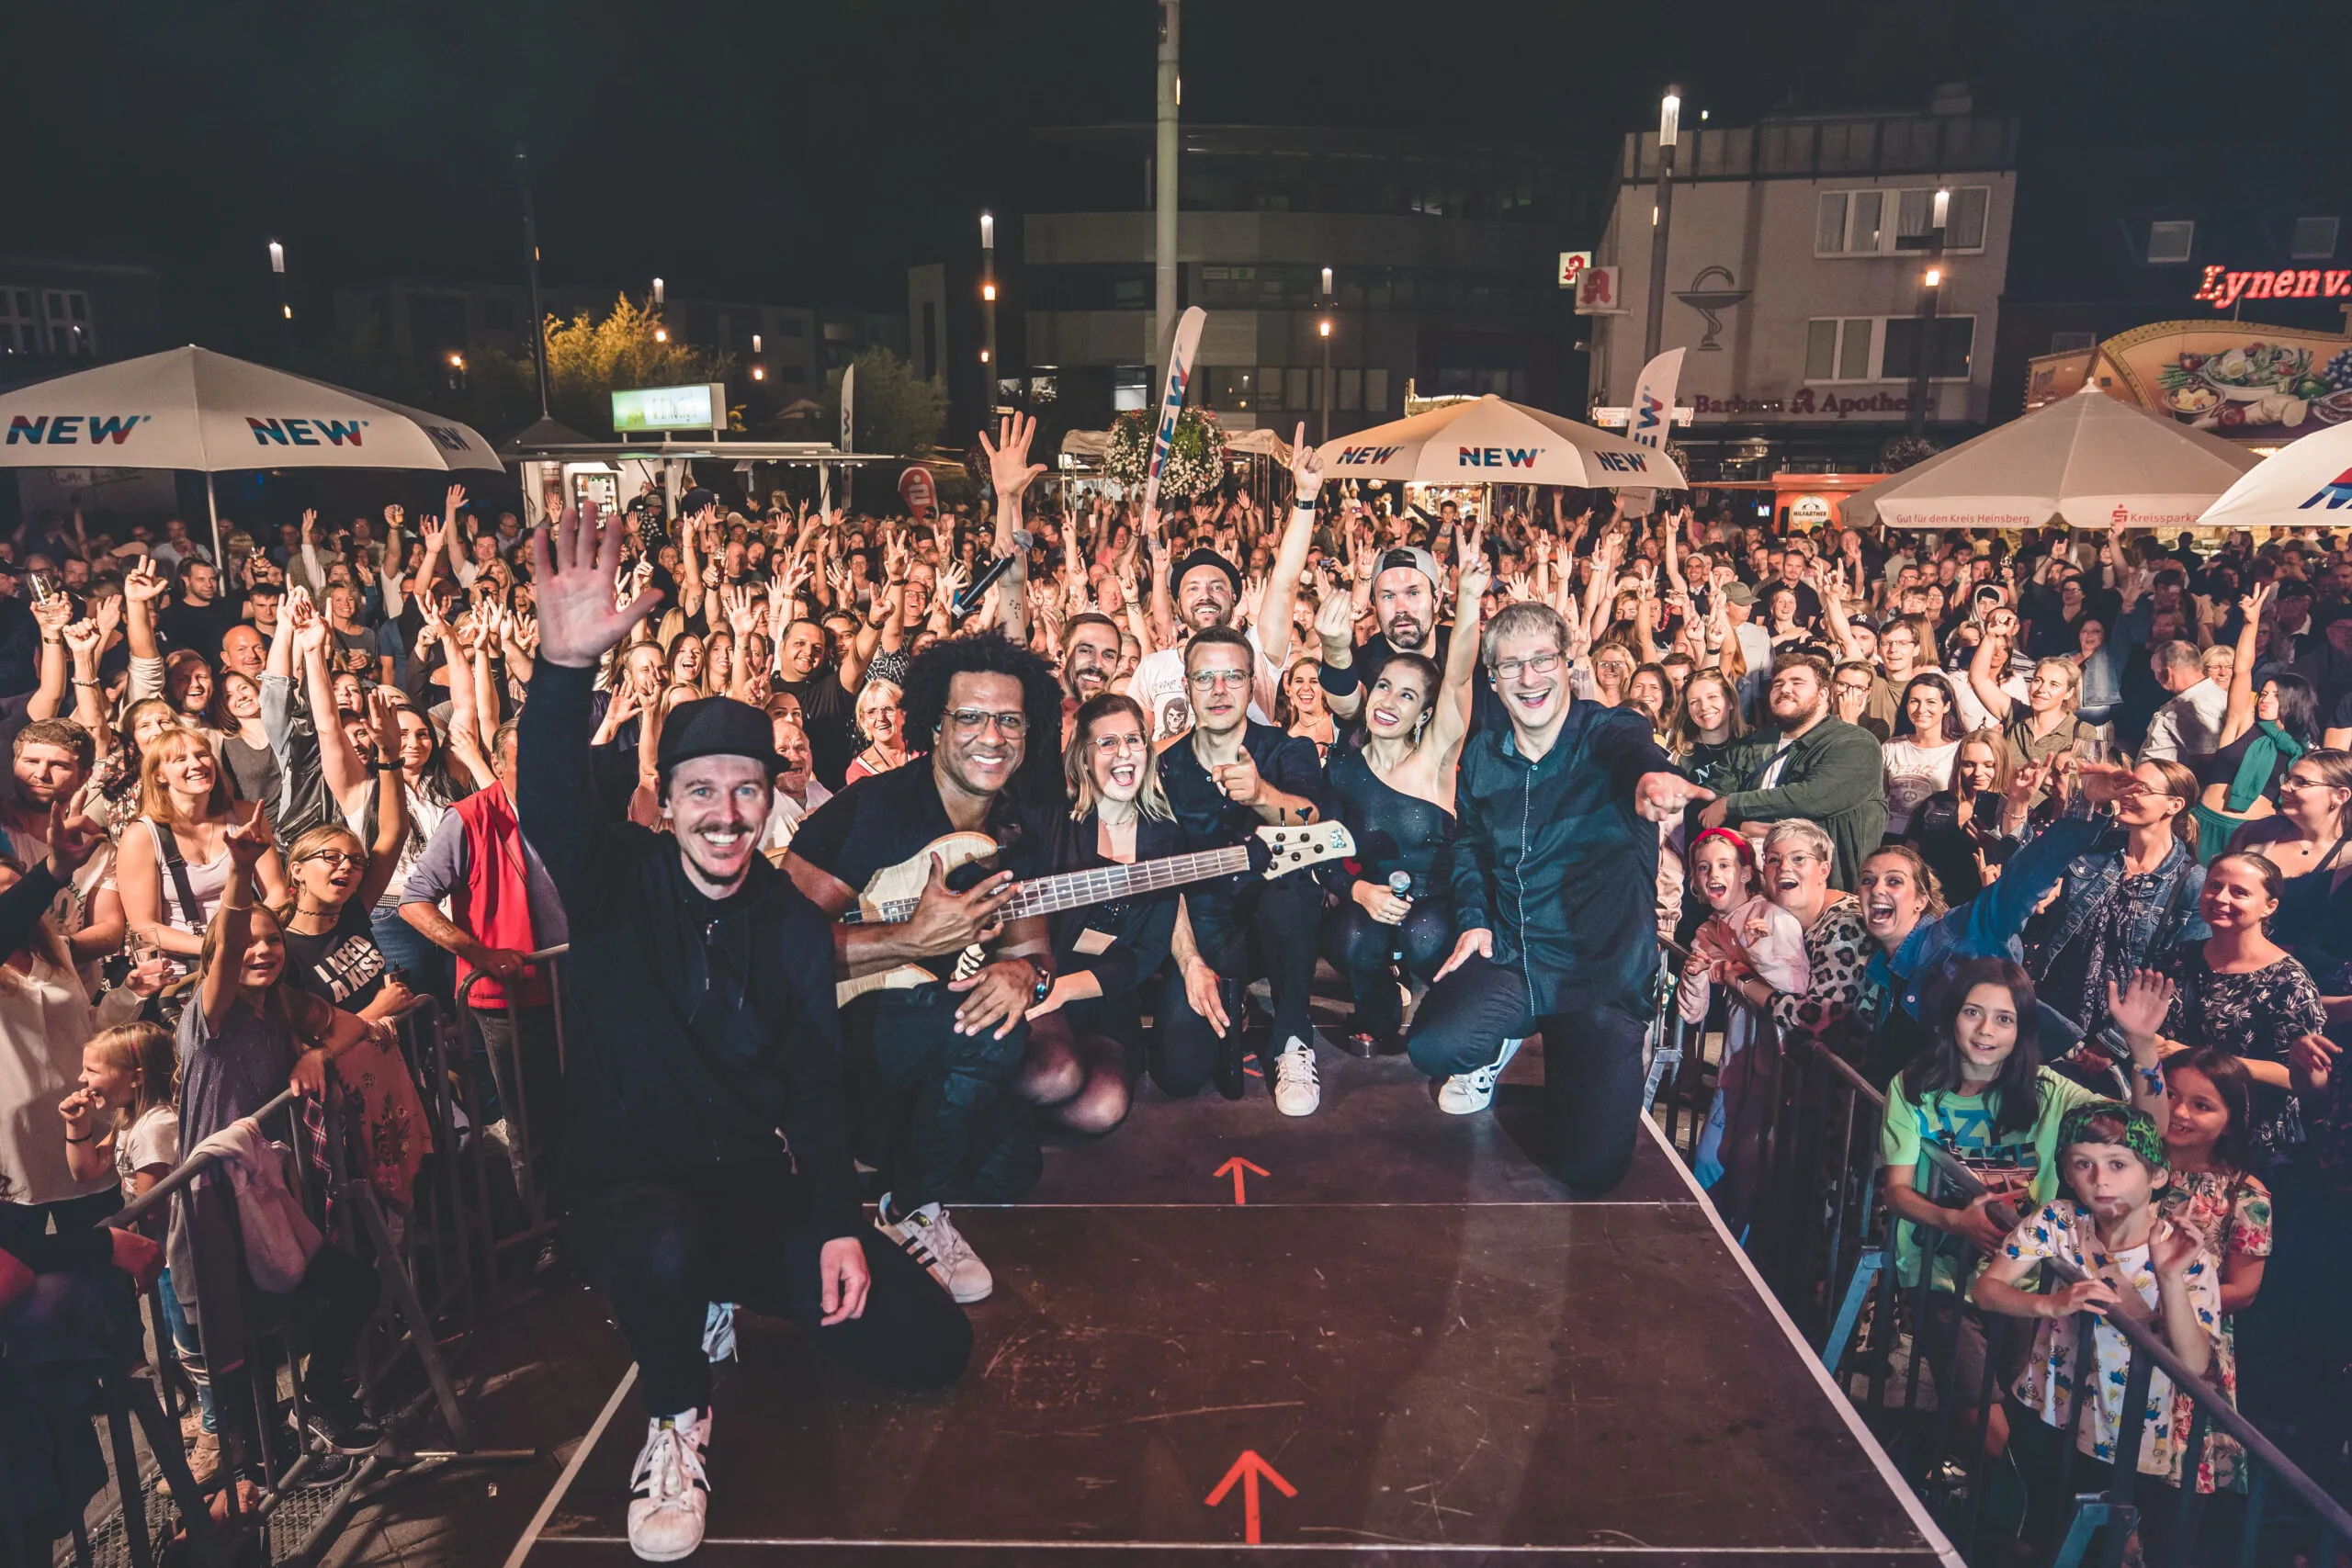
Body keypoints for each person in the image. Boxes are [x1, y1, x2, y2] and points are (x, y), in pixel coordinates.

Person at [518, 502, 970, 1563]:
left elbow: (814, 1090)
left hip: (744, 1193)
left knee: (929, 1345)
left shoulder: (792, 927)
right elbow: (545, 797)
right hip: (624, 1193)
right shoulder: (613, 884)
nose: (725, 814)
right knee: (662, 1245)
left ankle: (715, 1295)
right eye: (700, 792)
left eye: (747, 792)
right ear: (664, 803)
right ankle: (677, 1416)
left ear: (773, 802)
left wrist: (838, 1223)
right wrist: (561, 669)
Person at [786, 632, 1064, 1301]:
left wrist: (1025, 976)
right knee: (992, 1036)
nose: (990, 734)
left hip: (927, 1032)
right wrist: (907, 939)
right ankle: (906, 1205)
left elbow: (1035, 950)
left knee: (1010, 1171)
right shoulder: (872, 811)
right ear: (934, 723)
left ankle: (889, 1162)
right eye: (970, 716)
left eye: (1009, 719)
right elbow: (778, 951)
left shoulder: (1018, 824)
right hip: (833, 1037)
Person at [1406, 600, 1704, 1190]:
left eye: (1542, 660)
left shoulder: (1609, 731)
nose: (1529, 678)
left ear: (1567, 663)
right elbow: (1468, 846)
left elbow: (1637, 757)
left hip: (1599, 978)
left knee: (1590, 1173)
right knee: (1436, 1045)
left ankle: (1576, 1059)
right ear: (1493, 679)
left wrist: (1651, 781)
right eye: (1511, 666)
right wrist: (1473, 920)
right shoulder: (1485, 755)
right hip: (1517, 958)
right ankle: (1510, 1037)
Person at [1877, 960, 2175, 1456]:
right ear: (1953, 1016)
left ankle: (1977, 1508)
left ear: (2022, 1030)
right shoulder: (1913, 1088)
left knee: (2010, 1426)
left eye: (2004, 1018)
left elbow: (2147, 1128)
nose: (1986, 1030)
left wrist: (2142, 1045)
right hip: (1937, 1275)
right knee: (1988, 1428)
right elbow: (1896, 1192)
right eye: (1974, 1012)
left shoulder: (2050, 1092)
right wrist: (1955, 1220)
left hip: (2024, 1280)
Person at [176, 810, 387, 1459]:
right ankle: (261, 1469)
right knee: (247, 1339)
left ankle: (319, 1397)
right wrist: (241, 871)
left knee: (351, 1283)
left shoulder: (280, 1007)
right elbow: (234, 929)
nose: (262, 949)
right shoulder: (212, 1012)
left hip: (268, 1188)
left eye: (272, 940)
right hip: (213, 1196)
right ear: (218, 957)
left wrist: (316, 1055)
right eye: (247, 943)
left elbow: (350, 1026)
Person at [1973, 1101, 2233, 1560]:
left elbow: (2193, 1365)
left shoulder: (2186, 1253)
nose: (2100, 1179)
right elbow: (1988, 1290)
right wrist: (2050, 1302)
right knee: (2029, 1533)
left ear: (2156, 1176)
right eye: (2083, 1165)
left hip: (2128, 1432)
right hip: (2048, 1407)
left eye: (2118, 1164)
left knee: (2099, 1549)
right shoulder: (2059, 1222)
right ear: (2069, 1176)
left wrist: (2170, 1278)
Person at [1317, 546, 1485, 1055]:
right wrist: (1360, 891)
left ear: (1426, 714)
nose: (1388, 702)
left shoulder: (1437, 756)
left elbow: (1456, 674)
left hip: (1436, 906)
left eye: (1407, 697)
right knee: (1350, 935)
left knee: (1425, 935)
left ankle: (1451, 1007)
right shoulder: (1345, 766)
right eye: (1384, 688)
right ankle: (1379, 999)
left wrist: (1472, 598)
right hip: (1373, 900)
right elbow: (1322, 852)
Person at [1019, 694, 1186, 1135]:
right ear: (1084, 758)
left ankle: (1007, 1116)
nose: (1124, 751)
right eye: (1107, 742)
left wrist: (1068, 990)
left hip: (1102, 995)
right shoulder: (1051, 821)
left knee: (1104, 1105)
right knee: (1054, 1073)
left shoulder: (1164, 836)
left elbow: (1149, 950)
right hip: (1035, 982)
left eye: (1133, 739)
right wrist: (1047, 989)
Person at [2149, 852, 2325, 1174]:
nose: (2221, 898)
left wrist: (2194, 1057)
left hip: (2243, 1146)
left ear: (2269, 907)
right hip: (2170, 1123)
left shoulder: (2288, 982)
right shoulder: (2179, 957)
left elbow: (2292, 1076)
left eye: (2239, 892)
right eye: (2214, 886)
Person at [2030, 759, 2207, 1055]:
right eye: (2127, 786)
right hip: (2052, 1014)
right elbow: (2036, 863)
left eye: (2142, 789)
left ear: (2174, 805)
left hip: (2117, 1038)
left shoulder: (2192, 883)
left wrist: (2113, 1043)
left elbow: (2177, 979)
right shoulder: (2096, 849)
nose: (2128, 795)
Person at [1678, 827, 1809, 1218]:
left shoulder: (1769, 917)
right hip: (1735, 1066)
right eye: (1703, 867)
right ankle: (1703, 1242)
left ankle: (1741, 1251)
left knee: (1750, 1172)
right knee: (1709, 1159)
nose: (1713, 874)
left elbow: (1796, 987)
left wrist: (1756, 954)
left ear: (1746, 873)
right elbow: (1692, 1012)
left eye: (1723, 865)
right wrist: (1695, 974)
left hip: (1777, 1066)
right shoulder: (1708, 930)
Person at [1697, 650, 1888, 891]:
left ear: (1823, 695)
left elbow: (1813, 797)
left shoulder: (1855, 743)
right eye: (1778, 684)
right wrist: (1740, 823)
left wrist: (1733, 806)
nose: (1785, 689)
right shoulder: (1752, 743)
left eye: (1797, 683)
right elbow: (1712, 801)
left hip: (1824, 892)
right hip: (1745, 886)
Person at [117, 727, 288, 974]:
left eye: (202, 755)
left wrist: (257, 940)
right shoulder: (141, 836)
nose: (196, 764)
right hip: (189, 967)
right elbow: (144, 925)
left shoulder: (246, 816)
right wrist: (217, 947)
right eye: (180, 759)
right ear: (158, 776)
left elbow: (276, 892)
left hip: (252, 954)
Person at [2189, 586, 2320, 862]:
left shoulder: (2302, 751)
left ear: (2294, 702)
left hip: (2253, 834)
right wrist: (2250, 623)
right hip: (2204, 823)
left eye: (2275, 695)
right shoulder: (2243, 724)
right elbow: (2242, 669)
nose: (2265, 699)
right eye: (2264, 693)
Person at [2157, 1046, 2270, 1323]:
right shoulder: (2124, 1161)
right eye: (2170, 1095)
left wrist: (2162, 1306)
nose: (2179, 1111)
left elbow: (2243, 1291)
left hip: (2185, 1331)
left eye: (2201, 1105)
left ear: (2230, 1123)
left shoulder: (2247, 1194)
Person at [2229, 747, 2352, 972]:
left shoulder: (2348, 862)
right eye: (2288, 778)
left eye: (2302, 782)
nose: (2285, 787)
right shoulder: (2255, 835)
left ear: (2340, 796)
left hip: (2303, 980)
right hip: (2232, 962)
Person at [1880, 672, 1965, 840]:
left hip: (1934, 838)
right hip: (1891, 836)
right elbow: (1880, 796)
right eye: (1914, 701)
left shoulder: (1959, 749)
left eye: (1931, 702)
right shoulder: (1891, 746)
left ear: (1946, 706)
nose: (1921, 709)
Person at [2140, 639, 2229, 767]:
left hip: (2172, 784)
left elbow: (2207, 760)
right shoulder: (2211, 694)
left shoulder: (2197, 706)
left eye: (2156, 671)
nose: (2156, 677)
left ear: (2168, 672)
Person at [842, 678, 909, 784]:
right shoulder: (859, 772)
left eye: (888, 709)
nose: (881, 718)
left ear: (903, 712)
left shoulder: (923, 751)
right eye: (871, 712)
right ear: (863, 720)